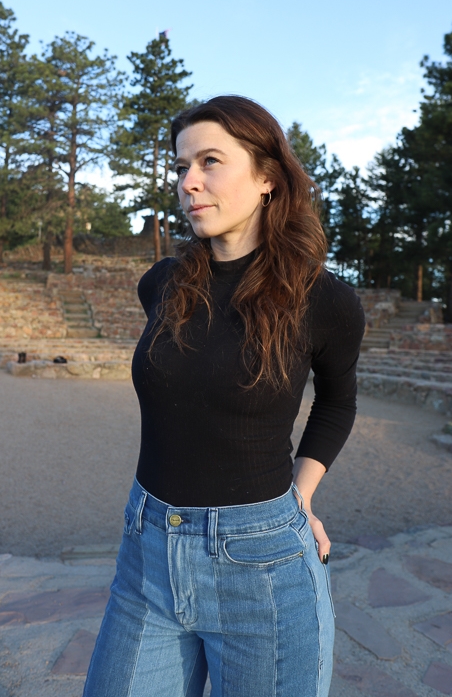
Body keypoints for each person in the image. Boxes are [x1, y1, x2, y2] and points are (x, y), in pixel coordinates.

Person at [83, 96, 365, 697]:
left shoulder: (325, 301)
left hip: (264, 569)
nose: (188, 182)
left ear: (267, 178)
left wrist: (301, 495)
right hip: (147, 557)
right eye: (181, 166)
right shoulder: (161, 284)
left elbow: (338, 402)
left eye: (210, 161)